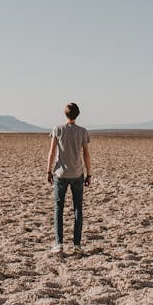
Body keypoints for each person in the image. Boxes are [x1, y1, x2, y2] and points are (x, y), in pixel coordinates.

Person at [46, 101, 91, 254]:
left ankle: (59, 244)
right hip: (77, 173)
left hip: (60, 174)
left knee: (59, 208)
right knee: (78, 207)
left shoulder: (57, 129)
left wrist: (48, 171)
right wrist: (89, 173)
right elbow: (86, 154)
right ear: (77, 114)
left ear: (65, 114)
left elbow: (51, 152)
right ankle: (76, 245)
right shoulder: (82, 131)